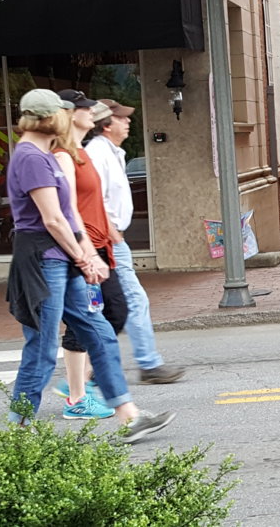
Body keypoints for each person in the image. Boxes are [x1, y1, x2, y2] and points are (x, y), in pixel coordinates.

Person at [4, 89, 174, 442]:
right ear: (47, 117)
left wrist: (88, 255)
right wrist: (84, 256)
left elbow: (69, 214)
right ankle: (19, 430)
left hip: (62, 258)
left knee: (100, 333)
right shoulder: (31, 157)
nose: (69, 118)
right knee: (42, 347)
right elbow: (52, 219)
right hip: (43, 260)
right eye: (63, 113)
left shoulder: (47, 155)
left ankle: (129, 416)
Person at [84, 98, 185, 384]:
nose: (128, 121)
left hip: (111, 240)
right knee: (130, 301)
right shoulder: (97, 154)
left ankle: (96, 368)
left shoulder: (113, 152)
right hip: (107, 240)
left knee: (109, 306)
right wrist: (112, 233)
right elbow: (94, 199)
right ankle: (147, 364)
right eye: (121, 118)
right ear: (106, 125)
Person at [51, 89, 129, 419]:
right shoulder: (63, 156)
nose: (91, 112)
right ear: (69, 114)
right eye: (84, 108)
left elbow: (92, 202)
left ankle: (81, 386)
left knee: (109, 313)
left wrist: (109, 235)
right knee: (88, 319)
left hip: (99, 245)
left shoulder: (80, 152)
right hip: (84, 248)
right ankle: (78, 395)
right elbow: (66, 211)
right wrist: (86, 253)